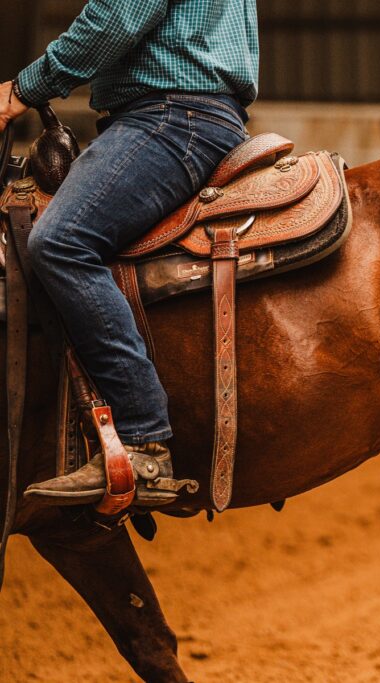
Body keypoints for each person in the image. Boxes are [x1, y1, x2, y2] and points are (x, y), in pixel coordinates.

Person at [0, 0, 259, 506]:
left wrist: (21, 91)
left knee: (60, 241)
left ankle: (143, 437)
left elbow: (118, 16)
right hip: (192, 112)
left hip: (172, 117)